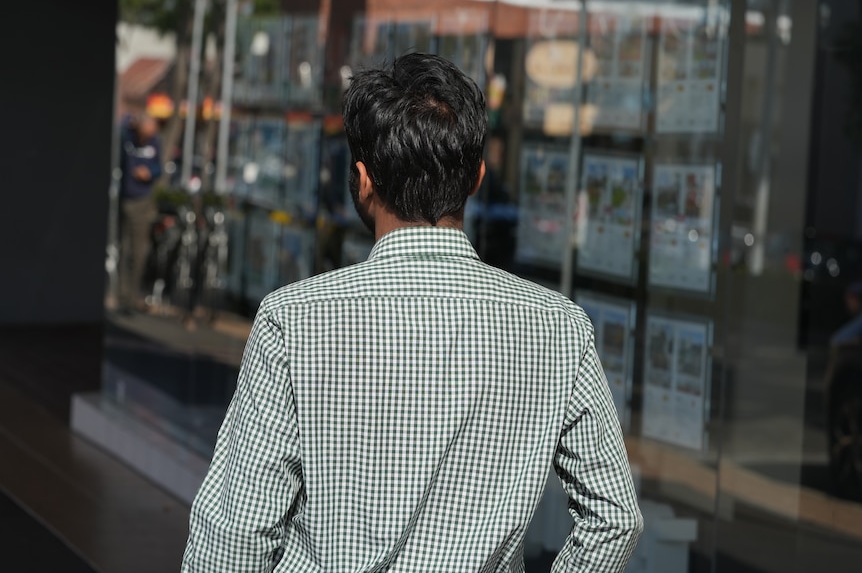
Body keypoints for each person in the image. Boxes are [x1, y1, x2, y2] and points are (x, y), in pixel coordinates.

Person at [181, 53, 643, 572]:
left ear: (362, 181)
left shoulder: (294, 320)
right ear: (477, 179)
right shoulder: (557, 326)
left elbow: (239, 528)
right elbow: (615, 517)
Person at [118, 112, 162, 312]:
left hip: (143, 200)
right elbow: (122, 124)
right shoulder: (127, 137)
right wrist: (133, 123)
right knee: (123, 249)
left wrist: (149, 173)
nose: (147, 137)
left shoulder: (155, 143)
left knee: (137, 252)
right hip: (125, 197)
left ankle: (131, 296)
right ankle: (121, 295)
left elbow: (159, 167)